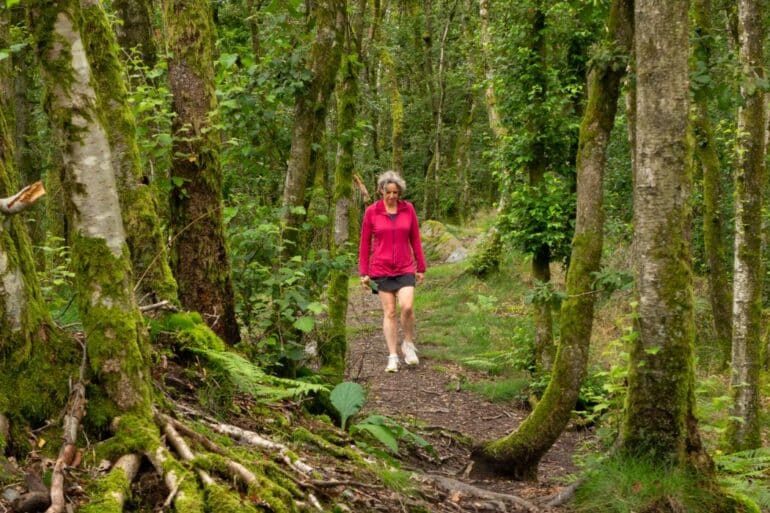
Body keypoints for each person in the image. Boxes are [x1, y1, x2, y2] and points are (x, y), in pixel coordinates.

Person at [359, 171, 426, 373]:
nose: (391, 196)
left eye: (395, 192)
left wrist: (420, 267)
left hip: (405, 267)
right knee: (389, 312)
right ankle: (393, 356)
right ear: (381, 191)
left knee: (407, 307)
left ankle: (408, 344)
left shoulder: (408, 210)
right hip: (381, 268)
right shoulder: (372, 211)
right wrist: (364, 272)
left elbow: (415, 239)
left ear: (400, 192)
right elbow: (364, 243)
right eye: (388, 192)